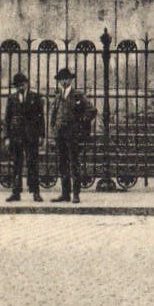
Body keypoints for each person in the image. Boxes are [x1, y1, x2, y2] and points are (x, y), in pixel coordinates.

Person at [51, 67, 94, 204]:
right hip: (60, 135)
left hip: (73, 135)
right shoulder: (58, 97)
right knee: (62, 164)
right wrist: (54, 128)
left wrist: (81, 123)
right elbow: (53, 115)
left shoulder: (78, 96)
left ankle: (76, 194)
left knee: (74, 163)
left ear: (70, 80)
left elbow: (91, 110)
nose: (63, 82)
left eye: (66, 79)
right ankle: (65, 194)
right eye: (61, 79)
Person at [4, 71, 45, 203]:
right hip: (16, 136)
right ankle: (16, 192)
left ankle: (35, 192)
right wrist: (7, 137)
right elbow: (7, 119)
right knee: (16, 164)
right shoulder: (11, 98)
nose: (20, 87)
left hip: (31, 136)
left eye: (22, 84)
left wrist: (41, 135)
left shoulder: (35, 97)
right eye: (17, 86)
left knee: (32, 164)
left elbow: (41, 118)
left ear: (27, 84)